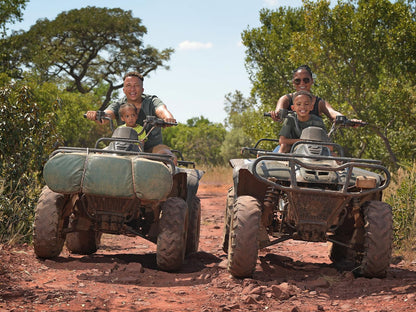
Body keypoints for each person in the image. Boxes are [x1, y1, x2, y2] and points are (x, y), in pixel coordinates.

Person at [85, 71, 176, 159]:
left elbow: (162, 110)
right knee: (96, 156)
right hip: (122, 148)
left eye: (136, 85)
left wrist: (168, 118)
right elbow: (107, 114)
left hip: (150, 149)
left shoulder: (152, 101)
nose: (132, 89)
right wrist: (97, 115)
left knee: (167, 156)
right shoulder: (118, 104)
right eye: (128, 85)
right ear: (124, 89)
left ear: (142, 89)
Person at [270, 65, 344, 122]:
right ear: (293, 83)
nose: (302, 83)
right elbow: (279, 110)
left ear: (312, 81)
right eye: (297, 81)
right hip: (291, 141)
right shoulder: (286, 99)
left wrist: (345, 119)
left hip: (315, 139)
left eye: (306, 80)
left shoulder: (319, 102)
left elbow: (332, 112)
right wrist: (276, 114)